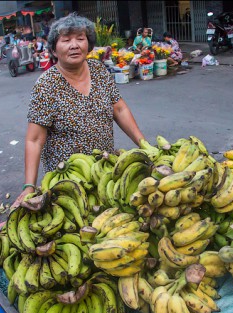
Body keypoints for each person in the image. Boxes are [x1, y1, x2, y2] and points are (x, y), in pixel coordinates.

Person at [12, 13, 146, 208]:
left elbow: (119, 108)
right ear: (55, 50)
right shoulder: (46, 85)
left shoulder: (99, 70)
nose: (74, 45)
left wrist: (144, 145)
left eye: (80, 39)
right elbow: (34, 139)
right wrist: (29, 186)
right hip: (68, 182)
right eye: (66, 40)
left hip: (104, 170)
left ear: (88, 45)